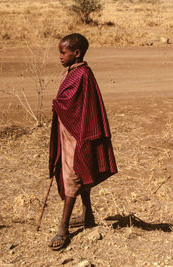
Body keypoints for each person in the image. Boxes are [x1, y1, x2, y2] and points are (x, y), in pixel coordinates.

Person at [48, 33, 117, 250]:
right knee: (78, 173)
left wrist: (58, 105)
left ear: (76, 53)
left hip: (78, 136)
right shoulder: (75, 72)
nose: (60, 56)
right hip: (70, 133)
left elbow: (73, 106)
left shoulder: (82, 75)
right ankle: (88, 216)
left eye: (63, 52)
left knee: (73, 176)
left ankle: (63, 227)